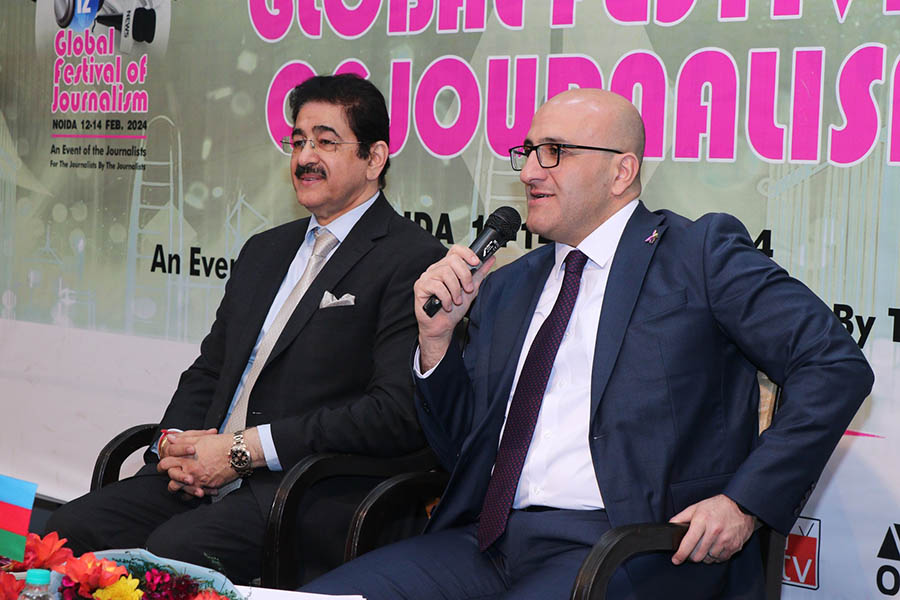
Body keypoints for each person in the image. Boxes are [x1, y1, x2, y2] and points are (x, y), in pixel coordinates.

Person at [301, 88, 874, 599]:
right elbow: (460, 451)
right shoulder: (506, 287)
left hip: (632, 547)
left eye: (555, 152)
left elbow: (833, 364)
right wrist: (436, 342)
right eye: (528, 151)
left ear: (621, 171)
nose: (530, 171)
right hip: (487, 540)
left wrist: (744, 503)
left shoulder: (698, 255)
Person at [46, 74, 446, 584]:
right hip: (202, 473)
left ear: (375, 158)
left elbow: (391, 413)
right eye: (298, 141)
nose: (305, 157)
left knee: (170, 558)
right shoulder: (265, 250)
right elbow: (211, 369)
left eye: (326, 142)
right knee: (68, 531)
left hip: (302, 488)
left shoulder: (412, 259)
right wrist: (173, 443)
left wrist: (242, 452)